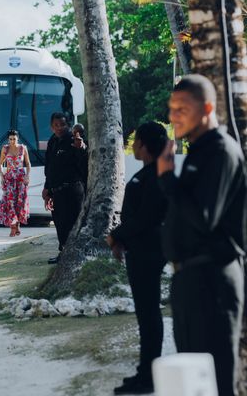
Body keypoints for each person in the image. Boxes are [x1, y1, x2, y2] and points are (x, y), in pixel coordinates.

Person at [158, 75, 245, 396]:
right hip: (189, 281)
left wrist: (168, 180)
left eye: (182, 108)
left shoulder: (221, 151)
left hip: (213, 281)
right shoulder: (197, 151)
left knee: (217, 383)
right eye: (171, 108)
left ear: (207, 109)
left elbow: (204, 218)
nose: (173, 116)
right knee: (193, 383)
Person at [106, 122, 168, 395]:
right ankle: (147, 370)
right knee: (146, 314)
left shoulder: (156, 176)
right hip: (139, 249)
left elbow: (146, 218)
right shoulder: (149, 174)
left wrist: (115, 235)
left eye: (135, 140)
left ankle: (150, 375)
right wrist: (121, 239)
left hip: (148, 252)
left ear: (145, 144)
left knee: (149, 313)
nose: (132, 145)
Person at [42, 112, 88, 264]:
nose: (59, 128)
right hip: (56, 192)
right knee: (60, 224)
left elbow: (84, 164)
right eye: (56, 125)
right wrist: (47, 188)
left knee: (72, 225)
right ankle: (63, 253)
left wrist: (80, 148)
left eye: (62, 124)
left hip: (72, 191)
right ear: (51, 127)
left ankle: (75, 255)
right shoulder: (52, 141)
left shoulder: (74, 139)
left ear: (67, 124)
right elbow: (49, 167)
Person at [0, 129, 31, 237]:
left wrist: (27, 176)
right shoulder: (5, 149)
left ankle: (18, 225)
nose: (12, 141)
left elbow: (28, 164)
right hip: (9, 179)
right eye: (10, 139)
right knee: (10, 202)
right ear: (8, 139)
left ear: (18, 138)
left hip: (21, 179)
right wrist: (2, 176)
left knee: (20, 202)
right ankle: (12, 227)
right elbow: (0, 164)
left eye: (14, 139)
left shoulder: (23, 148)